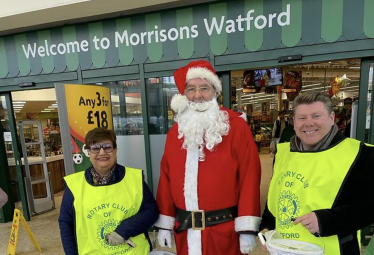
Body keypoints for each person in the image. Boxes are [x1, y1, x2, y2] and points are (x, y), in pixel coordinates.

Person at [154, 60, 262, 255]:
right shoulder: (175, 132)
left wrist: (246, 226)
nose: (197, 95)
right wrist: (165, 222)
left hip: (224, 233)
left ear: (215, 92)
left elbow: (250, 177)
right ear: (184, 95)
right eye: (191, 89)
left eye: (204, 88)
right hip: (185, 232)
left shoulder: (236, 127)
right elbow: (166, 178)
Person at [260, 91, 374, 254]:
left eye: (316, 116)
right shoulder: (282, 153)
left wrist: (325, 221)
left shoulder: (360, 154)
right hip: (285, 249)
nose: (308, 123)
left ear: (332, 117)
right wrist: (267, 228)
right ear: (294, 121)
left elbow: (370, 206)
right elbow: (277, 196)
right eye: (302, 118)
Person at [58, 127, 159, 255]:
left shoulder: (134, 179)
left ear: (115, 150)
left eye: (107, 147)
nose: (102, 152)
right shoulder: (74, 185)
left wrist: (124, 230)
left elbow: (151, 211)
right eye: (95, 148)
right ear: (88, 152)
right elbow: (66, 223)